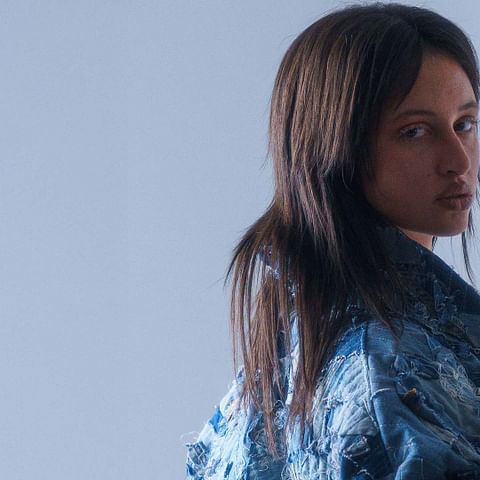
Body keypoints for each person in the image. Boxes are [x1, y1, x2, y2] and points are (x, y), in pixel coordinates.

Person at [185, 3, 480, 478]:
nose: (459, 161)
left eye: (464, 123)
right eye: (414, 132)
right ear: (337, 150)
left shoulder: (289, 351)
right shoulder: (389, 368)